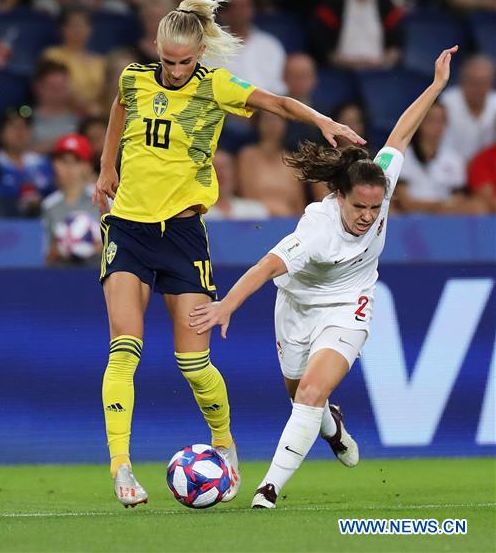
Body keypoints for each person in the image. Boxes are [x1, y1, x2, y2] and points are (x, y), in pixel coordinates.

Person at [92, 0, 363, 508]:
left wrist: (323, 121)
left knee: (192, 363)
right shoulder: (134, 77)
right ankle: (121, 464)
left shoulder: (215, 87)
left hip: (183, 236)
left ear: (198, 55)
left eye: (185, 62)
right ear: (156, 49)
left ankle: (224, 442)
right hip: (127, 228)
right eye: (168, 61)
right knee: (124, 346)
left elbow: (278, 104)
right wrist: (107, 165)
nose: (174, 71)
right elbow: (120, 109)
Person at [190, 47, 457, 509]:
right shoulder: (317, 229)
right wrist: (226, 305)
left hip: (348, 305)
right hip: (296, 308)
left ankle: (267, 490)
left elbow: (401, 133)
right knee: (303, 398)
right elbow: (266, 267)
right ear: (339, 197)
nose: (369, 217)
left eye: (376, 208)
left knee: (310, 392)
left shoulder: (379, 185)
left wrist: (434, 86)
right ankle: (331, 425)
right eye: (360, 208)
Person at [393, 101, 485, 214]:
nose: (437, 125)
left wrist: (443, 207)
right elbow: (405, 201)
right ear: (419, 122)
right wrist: (437, 205)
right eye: (431, 120)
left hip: (445, 215)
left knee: (478, 206)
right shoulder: (403, 155)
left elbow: (459, 197)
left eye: (441, 120)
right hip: (411, 215)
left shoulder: (454, 158)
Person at [311, 0, 403, 70]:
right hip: (342, 71)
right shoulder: (334, 0)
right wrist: (343, 61)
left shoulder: (384, 1)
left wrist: (386, 61)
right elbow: (321, 43)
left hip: (378, 71)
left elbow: (397, 40)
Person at [42, 133, 99, 266]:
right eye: (63, 161)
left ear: (88, 166)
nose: (69, 168)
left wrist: (99, 246)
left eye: (76, 161)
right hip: (63, 276)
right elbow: (46, 257)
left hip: (99, 276)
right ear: (54, 164)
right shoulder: (49, 206)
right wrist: (60, 249)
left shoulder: (103, 200)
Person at [237, 110, 306, 216]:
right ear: (258, 123)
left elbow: (299, 204)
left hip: (288, 221)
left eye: (278, 119)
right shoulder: (247, 155)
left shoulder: (292, 160)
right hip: (257, 219)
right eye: (267, 119)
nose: (272, 124)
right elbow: (247, 196)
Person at [42, 7, 107, 115]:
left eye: (82, 25)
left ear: (90, 29)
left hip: (97, 113)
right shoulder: (53, 55)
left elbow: (107, 91)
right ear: (62, 29)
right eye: (73, 25)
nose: (78, 30)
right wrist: (86, 107)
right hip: (63, 112)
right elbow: (55, 87)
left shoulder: (101, 61)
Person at [441, 55, 496, 166]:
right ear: (463, 82)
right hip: (450, 170)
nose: (478, 88)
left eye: (483, 82)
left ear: (491, 84)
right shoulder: (447, 102)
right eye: (473, 82)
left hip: (485, 172)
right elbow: (439, 145)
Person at [202, 148, 269, 220]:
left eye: (225, 167)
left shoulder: (255, 211)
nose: (220, 174)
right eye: (214, 168)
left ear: (235, 173)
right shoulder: (197, 215)